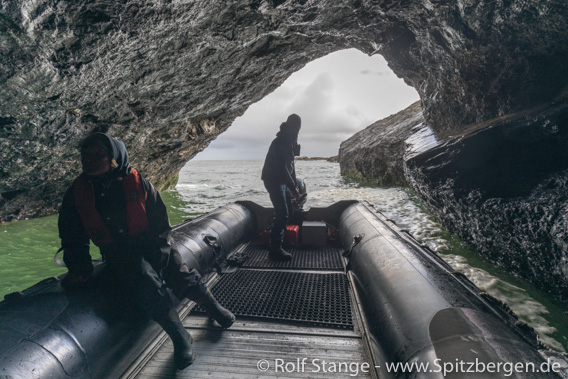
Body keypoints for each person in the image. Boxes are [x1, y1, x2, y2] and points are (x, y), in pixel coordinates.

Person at [58, 132, 235, 370]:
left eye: (97, 155)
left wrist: (160, 253)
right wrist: (79, 268)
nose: (89, 160)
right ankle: (180, 335)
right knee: (145, 280)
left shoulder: (139, 184)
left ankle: (213, 308)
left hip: (151, 242)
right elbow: (71, 234)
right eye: (85, 155)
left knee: (177, 269)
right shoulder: (77, 193)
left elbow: (160, 221)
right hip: (118, 251)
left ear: (114, 158)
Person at [261, 114, 302, 261]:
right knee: (283, 213)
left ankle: (280, 239)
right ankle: (275, 249)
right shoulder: (281, 141)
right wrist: (292, 187)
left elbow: (291, 165)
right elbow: (282, 167)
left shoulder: (290, 140)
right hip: (273, 180)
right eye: (297, 126)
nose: (298, 129)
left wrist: (295, 184)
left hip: (282, 180)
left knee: (288, 211)